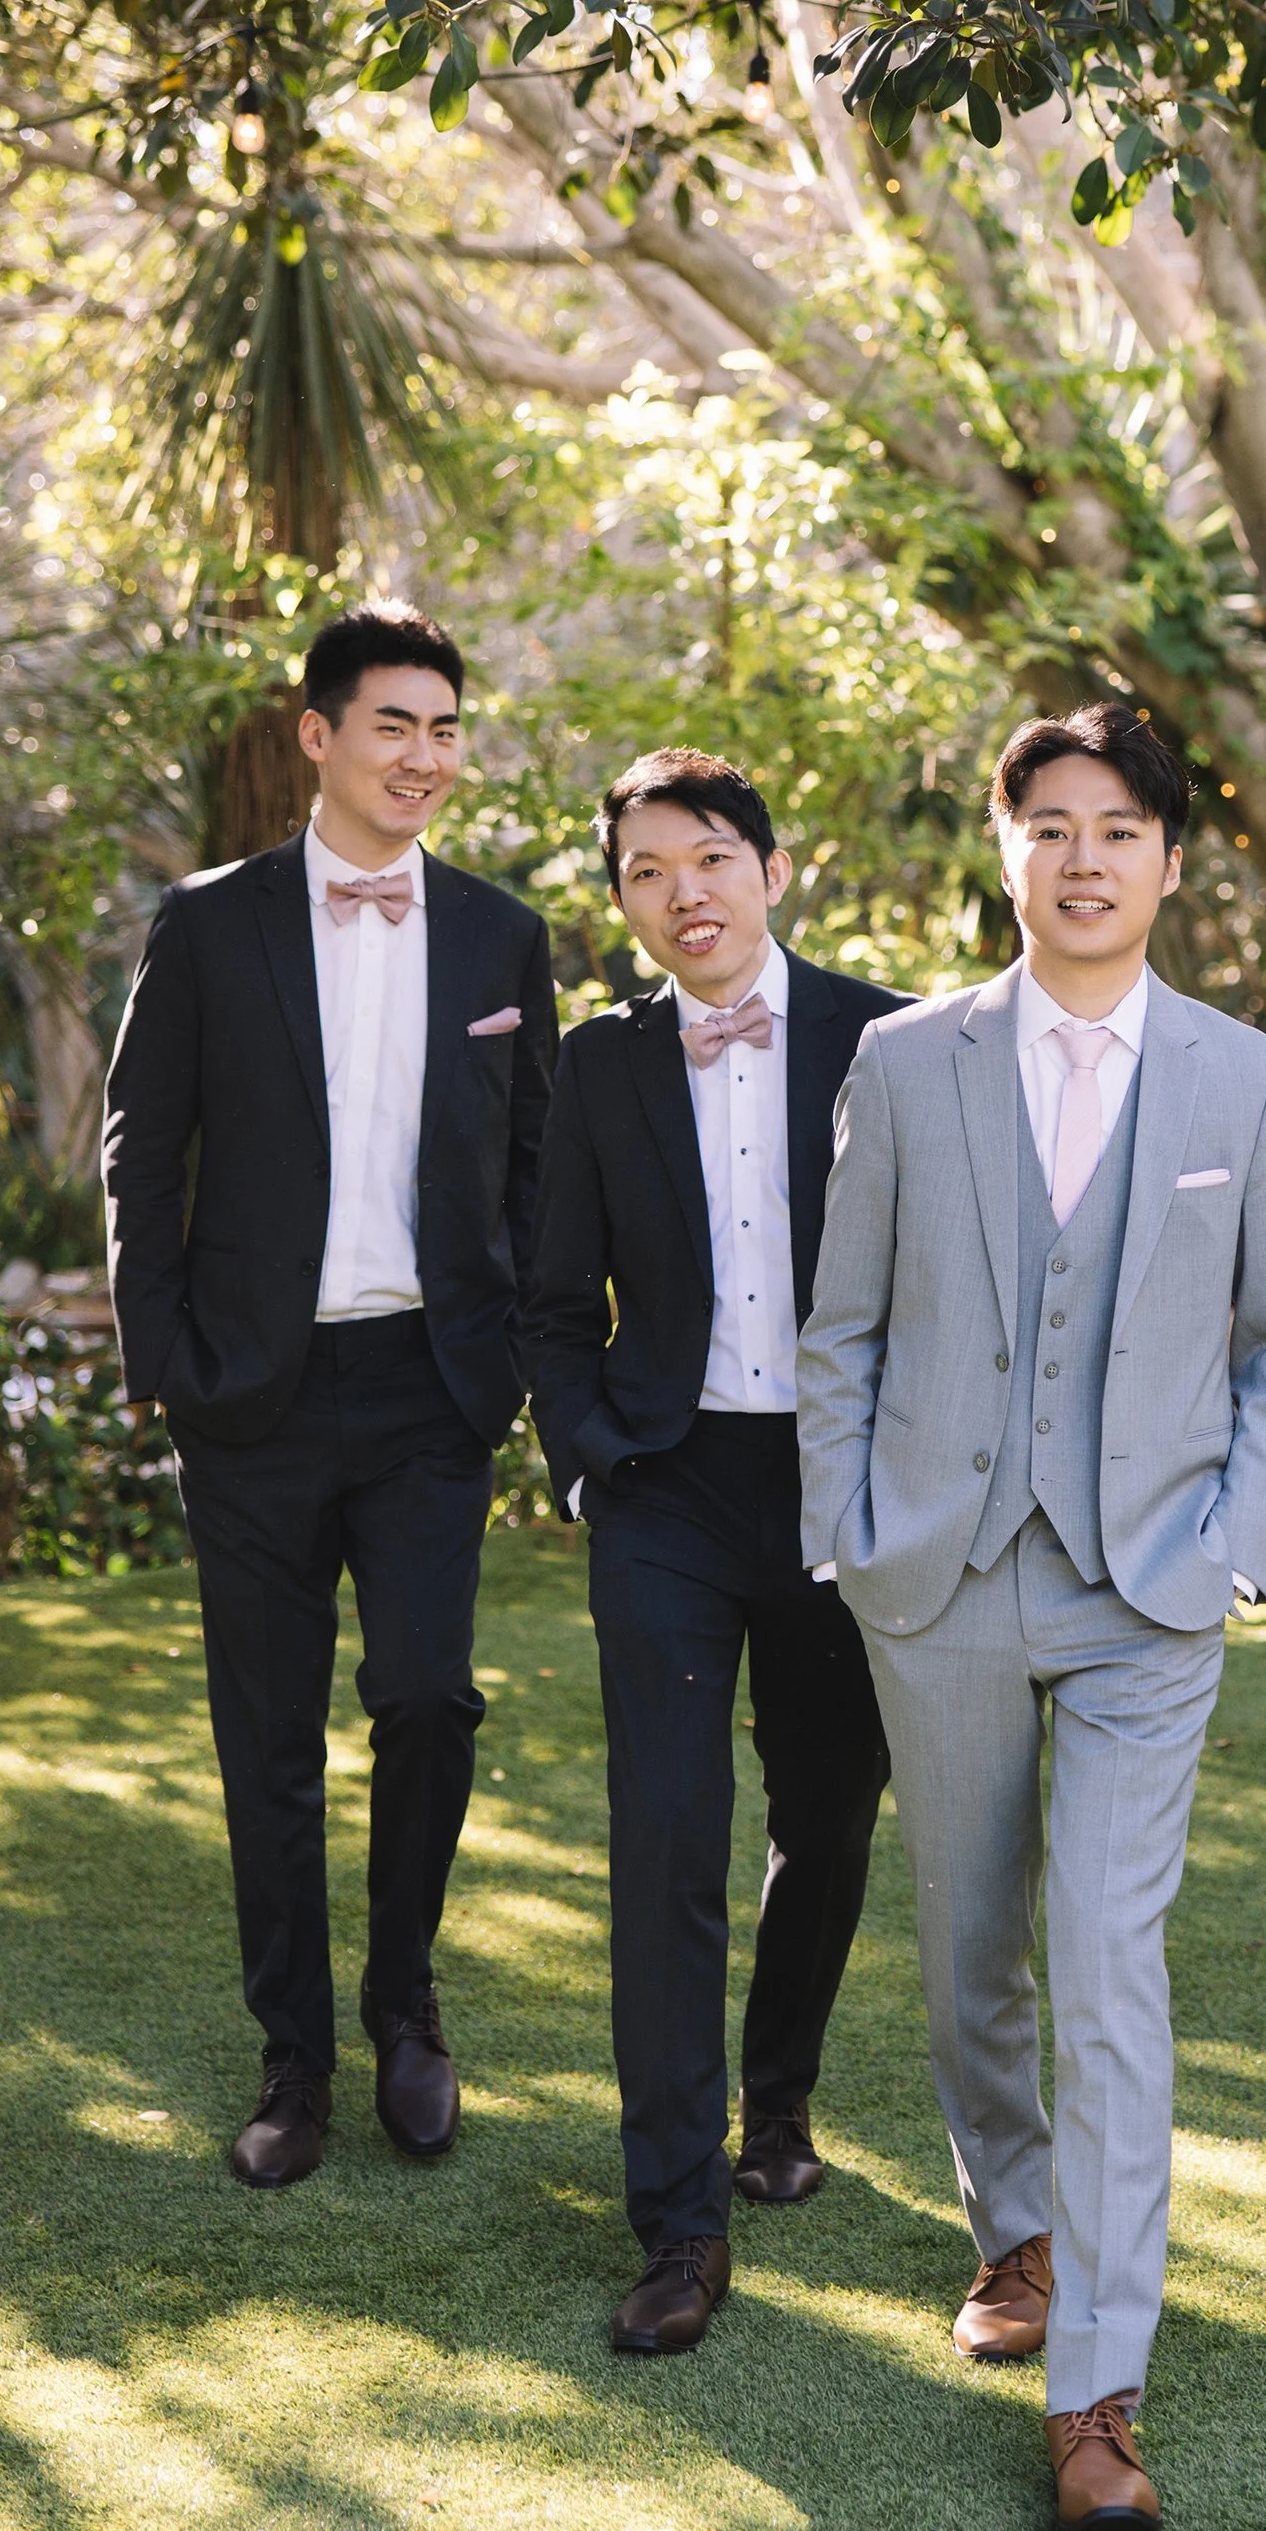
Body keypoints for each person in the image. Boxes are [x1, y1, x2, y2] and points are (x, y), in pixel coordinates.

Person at [796, 701, 1266, 2531]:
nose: (1083, 856)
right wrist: (847, 1529)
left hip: (1148, 1588)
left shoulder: (1242, 1081)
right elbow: (843, 1326)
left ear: (1172, 862)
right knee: (968, 1949)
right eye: (1050, 825)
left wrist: (1231, 1550)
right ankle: (1013, 2225)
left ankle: (1095, 2381)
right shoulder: (904, 1062)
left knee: (1107, 1958)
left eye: (1119, 827)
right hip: (934, 1569)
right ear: (1003, 849)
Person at [102, 603, 557, 2188]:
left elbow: (534, 1165)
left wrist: (502, 1362)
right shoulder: (209, 923)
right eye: (394, 725)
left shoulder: (503, 938)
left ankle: (406, 2004)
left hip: (428, 1390)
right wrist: (166, 1364)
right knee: (267, 1743)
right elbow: (140, 1152)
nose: (424, 756)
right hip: (254, 1395)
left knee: (427, 1698)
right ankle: (294, 2058)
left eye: (445, 729)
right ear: (319, 734)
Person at [527, 749, 903, 2357]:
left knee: (824, 1820)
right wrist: (595, 1459)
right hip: (668, 1484)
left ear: (769, 866)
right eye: (644, 873)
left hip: (843, 1491)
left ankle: (780, 2096)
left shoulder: (893, 1039)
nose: (682, 894)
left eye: (708, 860)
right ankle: (678, 2225)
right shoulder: (594, 1065)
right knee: (667, 1836)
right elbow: (546, 1297)